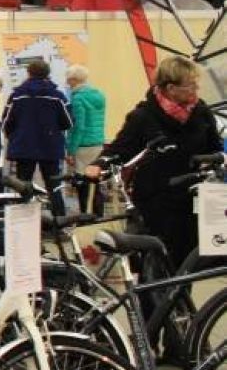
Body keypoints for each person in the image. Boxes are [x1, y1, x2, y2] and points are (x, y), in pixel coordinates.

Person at [85, 56, 218, 271]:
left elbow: (215, 146)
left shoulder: (201, 112)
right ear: (171, 88)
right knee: (154, 266)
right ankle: (152, 304)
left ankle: (180, 303)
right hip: (155, 202)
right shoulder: (144, 116)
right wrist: (98, 164)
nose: (197, 88)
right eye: (191, 84)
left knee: (185, 266)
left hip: (190, 199)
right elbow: (121, 148)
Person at [2, 59, 72, 217]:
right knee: (53, 185)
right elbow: (68, 122)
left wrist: (15, 135)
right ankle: (59, 222)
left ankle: (23, 222)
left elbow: (6, 122)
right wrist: (52, 131)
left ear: (29, 73)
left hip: (23, 146)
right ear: (48, 74)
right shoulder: (58, 96)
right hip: (50, 146)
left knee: (23, 185)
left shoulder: (17, 96)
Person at [66, 65, 107, 214]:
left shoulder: (78, 98)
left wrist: (71, 150)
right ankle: (98, 214)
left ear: (75, 80)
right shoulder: (99, 95)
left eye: (69, 80)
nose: (67, 83)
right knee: (95, 182)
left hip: (82, 146)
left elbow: (79, 127)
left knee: (82, 184)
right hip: (97, 143)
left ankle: (86, 215)